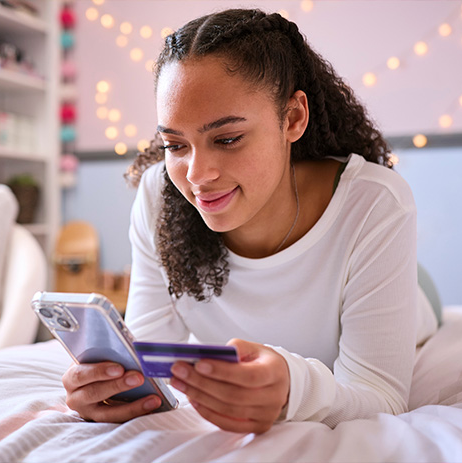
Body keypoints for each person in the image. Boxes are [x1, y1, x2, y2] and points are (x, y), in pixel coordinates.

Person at [62, 8, 439, 434]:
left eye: (227, 139)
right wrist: (117, 388)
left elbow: (381, 395)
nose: (197, 175)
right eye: (174, 144)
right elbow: (150, 356)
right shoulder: (159, 195)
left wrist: (293, 387)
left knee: (419, 309)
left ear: (293, 118)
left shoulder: (375, 203)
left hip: (413, 292)